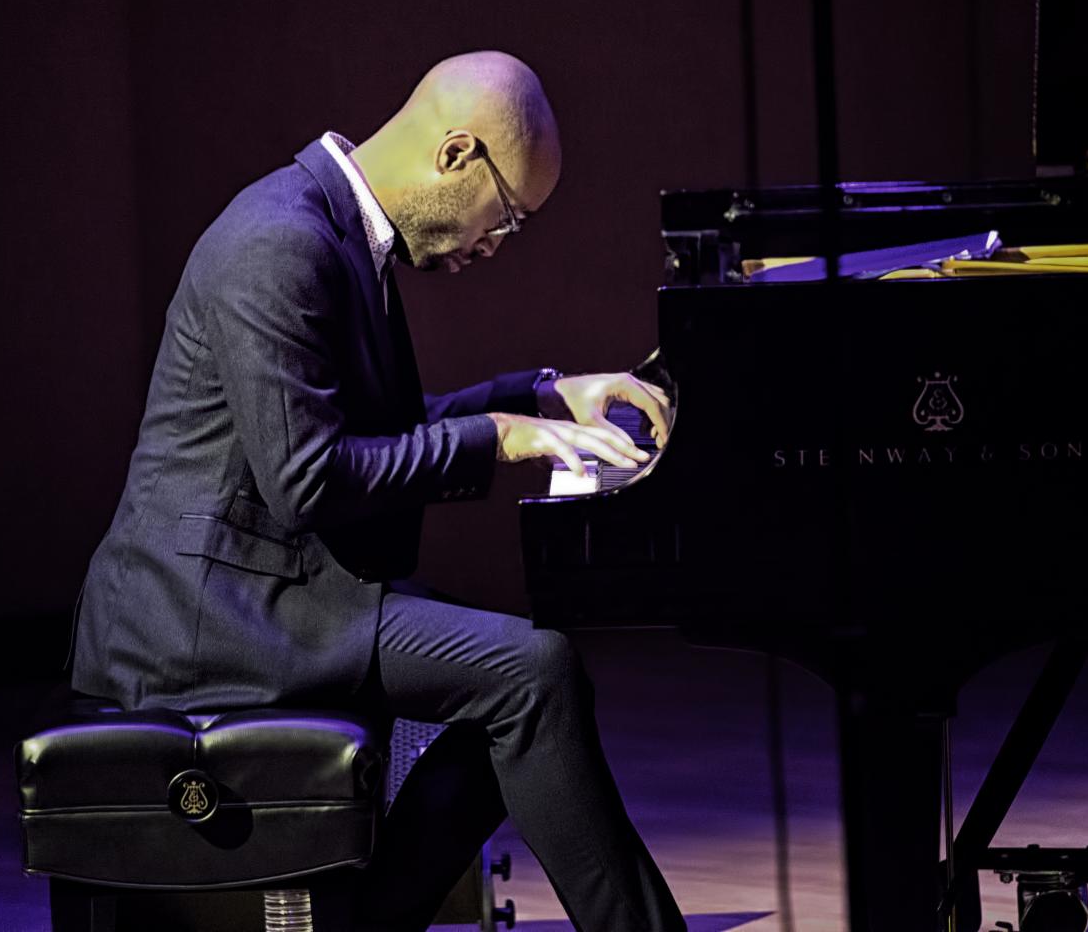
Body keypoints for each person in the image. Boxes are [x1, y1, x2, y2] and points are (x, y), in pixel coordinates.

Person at [68, 51, 686, 932]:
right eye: (506, 216)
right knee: (534, 674)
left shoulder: (334, 232)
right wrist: (503, 438)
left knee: (515, 707)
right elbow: (310, 480)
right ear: (457, 154)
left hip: (273, 589)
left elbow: (367, 431)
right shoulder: (278, 242)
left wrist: (541, 394)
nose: (496, 243)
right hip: (208, 617)